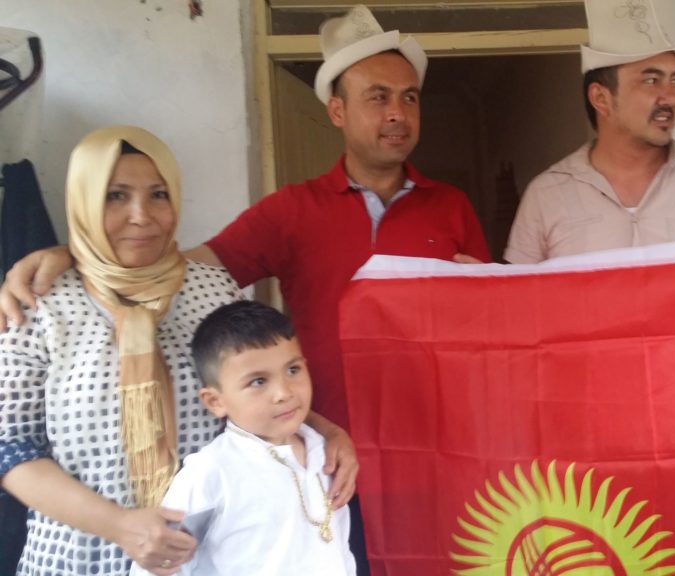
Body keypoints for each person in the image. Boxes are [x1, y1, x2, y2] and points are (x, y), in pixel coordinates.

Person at [0, 6, 490, 572]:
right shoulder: (291, 210)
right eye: (378, 96)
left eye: (409, 98)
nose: (397, 113)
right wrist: (75, 258)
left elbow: (486, 319)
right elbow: (178, 261)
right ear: (337, 109)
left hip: (413, 441)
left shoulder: (451, 207)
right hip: (299, 459)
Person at [0, 126, 245, 575]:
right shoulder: (39, 304)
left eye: (158, 194)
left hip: (205, 554)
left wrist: (323, 432)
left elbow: (258, 398)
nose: (141, 215)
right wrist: (120, 526)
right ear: (84, 202)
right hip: (76, 556)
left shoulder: (215, 293)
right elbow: (12, 449)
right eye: (115, 196)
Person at [503, 0, 675, 291]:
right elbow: (521, 307)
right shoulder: (546, 197)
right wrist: (481, 288)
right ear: (601, 99)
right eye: (651, 80)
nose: (671, 97)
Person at [132, 301, 357, 576]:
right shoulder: (212, 471)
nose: (283, 392)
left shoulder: (327, 454)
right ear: (215, 401)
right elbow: (157, 565)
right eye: (258, 382)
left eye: (293, 370)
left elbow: (339, 548)